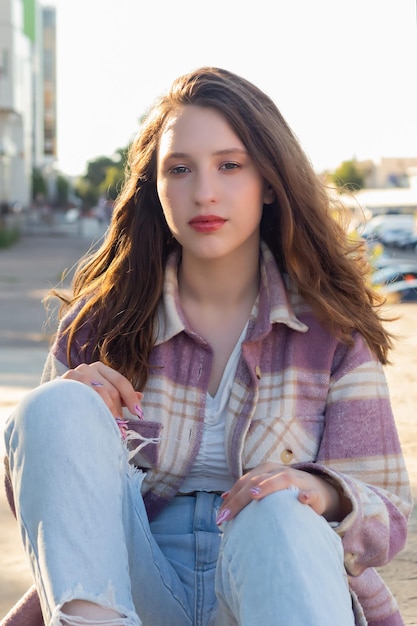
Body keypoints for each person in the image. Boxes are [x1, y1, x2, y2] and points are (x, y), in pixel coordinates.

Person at [3, 66, 412, 626]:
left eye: (230, 165)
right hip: (133, 591)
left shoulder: (332, 335)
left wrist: (320, 490)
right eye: (180, 169)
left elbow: (387, 511)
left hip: (274, 593)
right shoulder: (100, 325)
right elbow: (46, 515)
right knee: (54, 403)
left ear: (269, 180)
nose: (205, 192)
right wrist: (72, 422)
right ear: (156, 185)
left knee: (278, 508)